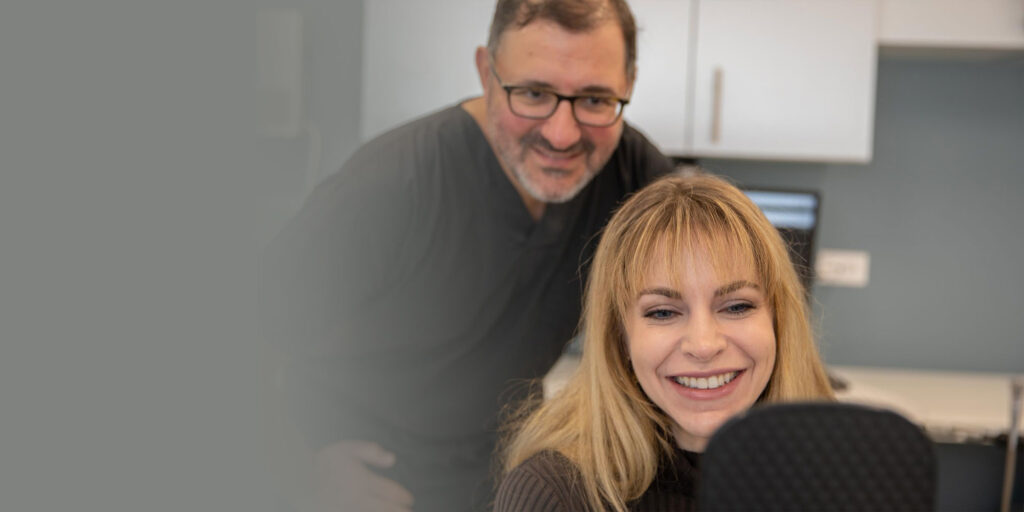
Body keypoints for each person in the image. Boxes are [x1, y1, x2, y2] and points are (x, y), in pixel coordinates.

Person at [259, 1, 673, 510]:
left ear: (629, 82)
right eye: (533, 93)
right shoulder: (392, 184)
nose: (562, 134)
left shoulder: (633, 178)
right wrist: (299, 469)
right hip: (371, 482)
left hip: (506, 476)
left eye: (594, 99)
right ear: (486, 73)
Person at [494, 173, 835, 512]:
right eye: (662, 313)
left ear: (779, 321)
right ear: (619, 336)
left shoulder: (842, 478)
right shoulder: (553, 494)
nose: (703, 345)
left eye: (736, 306)